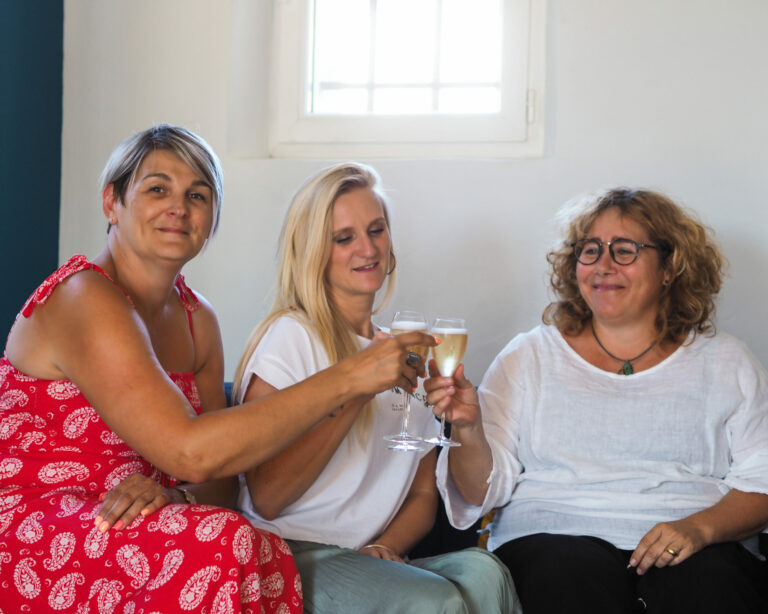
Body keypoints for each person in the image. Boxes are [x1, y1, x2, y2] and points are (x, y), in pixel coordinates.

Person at [0, 125, 432, 613]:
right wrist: (353, 377)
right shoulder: (85, 297)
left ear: (212, 218)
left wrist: (175, 495)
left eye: (197, 195)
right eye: (157, 188)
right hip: (41, 521)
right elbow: (192, 453)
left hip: (143, 516)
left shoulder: (196, 318)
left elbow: (220, 484)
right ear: (111, 202)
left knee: (233, 535)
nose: (179, 208)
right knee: (225, 542)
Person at [425, 188, 768, 613]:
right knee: (565, 575)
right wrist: (469, 429)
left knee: (708, 579)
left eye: (624, 250)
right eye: (590, 250)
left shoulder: (727, 361)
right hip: (553, 539)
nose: (603, 266)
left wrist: (699, 528)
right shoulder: (529, 355)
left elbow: (762, 482)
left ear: (670, 267)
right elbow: (478, 491)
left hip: (693, 539)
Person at [232, 162, 519, 614]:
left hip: (367, 557)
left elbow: (422, 495)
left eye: (376, 230)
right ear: (313, 252)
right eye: (344, 238)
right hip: (289, 553)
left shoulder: (406, 352)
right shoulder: (292, 336)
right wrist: (358, 389)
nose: (367, 249)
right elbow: (268, 497)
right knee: (434, 599)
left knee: (486, 574)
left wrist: (384, 546)